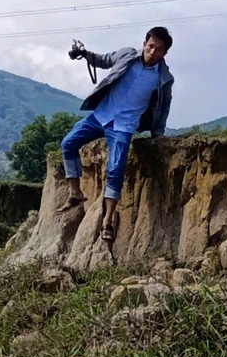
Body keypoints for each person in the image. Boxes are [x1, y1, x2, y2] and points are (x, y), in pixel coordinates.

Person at [57, 26, 174, 242]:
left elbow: (163, 106)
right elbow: (104, 60)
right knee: (68, 143)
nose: (153, 52)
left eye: (159, 50)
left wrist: (157, 133)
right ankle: (75, 193)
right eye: (150, 46)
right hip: (101, 115)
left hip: (124, 126)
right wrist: (85, 55)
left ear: (165, 53)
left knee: (116, 169)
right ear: (144, 44)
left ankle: (107, 220)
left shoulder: (164, 79)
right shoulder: (127, 55)